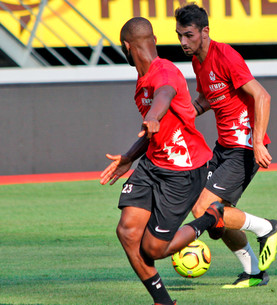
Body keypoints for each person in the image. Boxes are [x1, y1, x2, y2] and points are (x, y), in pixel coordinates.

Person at [100, 17, 225, 305]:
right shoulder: (141, 82)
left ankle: (210, 217)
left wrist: (153, 116)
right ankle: (163, 302)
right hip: (153, 164)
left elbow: (165, 93)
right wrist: (130, 157)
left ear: (126, 47)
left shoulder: (164, 71)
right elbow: (153, 129)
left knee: (154, 249)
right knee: (127, 232)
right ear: (153, 40)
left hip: (184, 169)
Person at [174, 4, 277, 289]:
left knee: (203, 208)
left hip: (244, 146)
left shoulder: (225, 56)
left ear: (205, 31)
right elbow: (208, 98)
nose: (183, 42)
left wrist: (258, 142)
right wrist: (179, 116)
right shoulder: (198, 61)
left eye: (188, 35)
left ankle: (268, 228)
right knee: (217, 219)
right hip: (224, 147)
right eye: (179, 36)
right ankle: (253, 272)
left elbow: (263, 97)